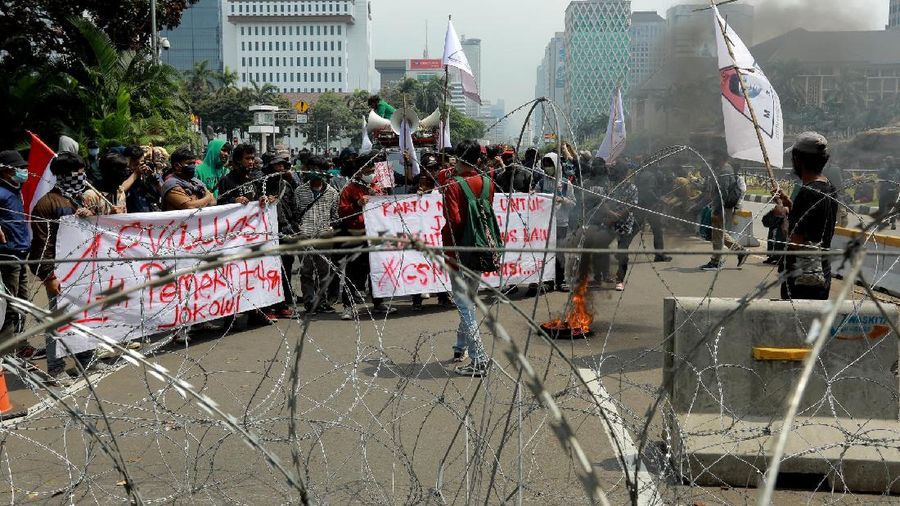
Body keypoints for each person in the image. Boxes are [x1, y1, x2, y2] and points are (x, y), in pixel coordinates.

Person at [29, 152, 111, 385]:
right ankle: (55, 369)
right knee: (58, 320)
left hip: (81, 269)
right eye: (78, 172)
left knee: (83, 315)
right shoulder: (47, 204)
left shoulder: (76, 200)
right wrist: (48, 276)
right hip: (60, 272)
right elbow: (43, 245)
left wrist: (90, 215)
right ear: (64, 175)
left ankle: (86, 359)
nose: (82, 176)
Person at [441, 140, 500, 377]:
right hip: (481, 248)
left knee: (464, 303)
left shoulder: (453, 185)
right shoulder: (487, 182)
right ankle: (460, 347)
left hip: (458, 252)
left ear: (457, 157)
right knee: (469, 299)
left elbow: (454, 221)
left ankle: (479, 359)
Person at [776, 132, 837, 301]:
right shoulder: (829, 187)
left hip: (801, 278)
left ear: (798, 160)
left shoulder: (807, 193)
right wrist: (790, 204)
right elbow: (813, 222)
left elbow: (795, 241)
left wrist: (784, 217)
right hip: (821, 271)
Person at [337, 153, 396, 320]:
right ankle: (348, 306)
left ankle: (378, 303)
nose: (371, 173)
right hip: (357, 235)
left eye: (373, 170)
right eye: (368, 170)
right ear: (360, 170)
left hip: (376, 234)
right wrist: (357, 204)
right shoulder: (350, 188)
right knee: (353, 271)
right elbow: (342, 212)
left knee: (377, 269)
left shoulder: (379, 186)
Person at [294, 156, 340, 314]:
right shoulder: (300, 191)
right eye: (312, 169)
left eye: (320, 170)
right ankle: (309, 302)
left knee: (324, 271)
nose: (316, 172)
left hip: (324, 236)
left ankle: (322, 302)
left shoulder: (332, 193)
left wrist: (331, 228)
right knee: (306, 271)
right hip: (304, 235)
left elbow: (335, 215)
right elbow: (296, 213)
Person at [0, 150, 33, 354]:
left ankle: (21, 345)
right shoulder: (1, 192)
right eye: (19, 168)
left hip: (20, 252)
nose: (24, 171)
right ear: (5, 170)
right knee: (10, 305)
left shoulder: (15, 189)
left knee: (22, 302)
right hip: (7, 254)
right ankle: (6, 351)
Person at [261, 151, 300, 319]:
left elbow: (293, 207)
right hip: (267, 232)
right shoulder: (261, 185)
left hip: (285, 230)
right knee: (268, 268)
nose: (280, 168)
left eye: (282, 165)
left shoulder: (286, 185)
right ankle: (267, 306)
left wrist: (294, 227)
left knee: (286, 267)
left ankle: (283, 303)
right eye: (276, 165)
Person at [698, 154, 748, 271]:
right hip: (721, 207)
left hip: (721, 208)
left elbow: (723, 192)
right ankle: (740, 251)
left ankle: (715, 262)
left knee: (717, 235)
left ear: (721, 158)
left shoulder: (725, 171)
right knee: (719, 233)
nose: (713, 160)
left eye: (715, 157)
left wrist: (717, 210)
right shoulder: (725, 169)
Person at [634, 165, 672, 262]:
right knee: (657, 230)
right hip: (651, 207)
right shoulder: (651, 176)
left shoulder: (639, 174)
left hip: (639, 205)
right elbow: (649, 191)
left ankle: (621, 251)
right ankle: (659, 255)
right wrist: (658, 200)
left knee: (633, 229)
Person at [161, 148, 216, 212]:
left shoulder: (196, 182)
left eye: (193, 163)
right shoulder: (171, 185)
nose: (193, 166)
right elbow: (189, 207)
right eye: (189, 163)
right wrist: (207, 198)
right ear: (177, 166)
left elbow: (213, 202)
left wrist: (200, 201)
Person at [877, 156, 899, 230]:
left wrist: (878, 192)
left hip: (884, 191)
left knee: (882, 206)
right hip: (895, 192)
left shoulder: (882, 171)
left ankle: (884, 221)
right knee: (893, 207)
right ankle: (893, 223)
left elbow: (879, 182)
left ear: (886, 162)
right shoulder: (897, 171)